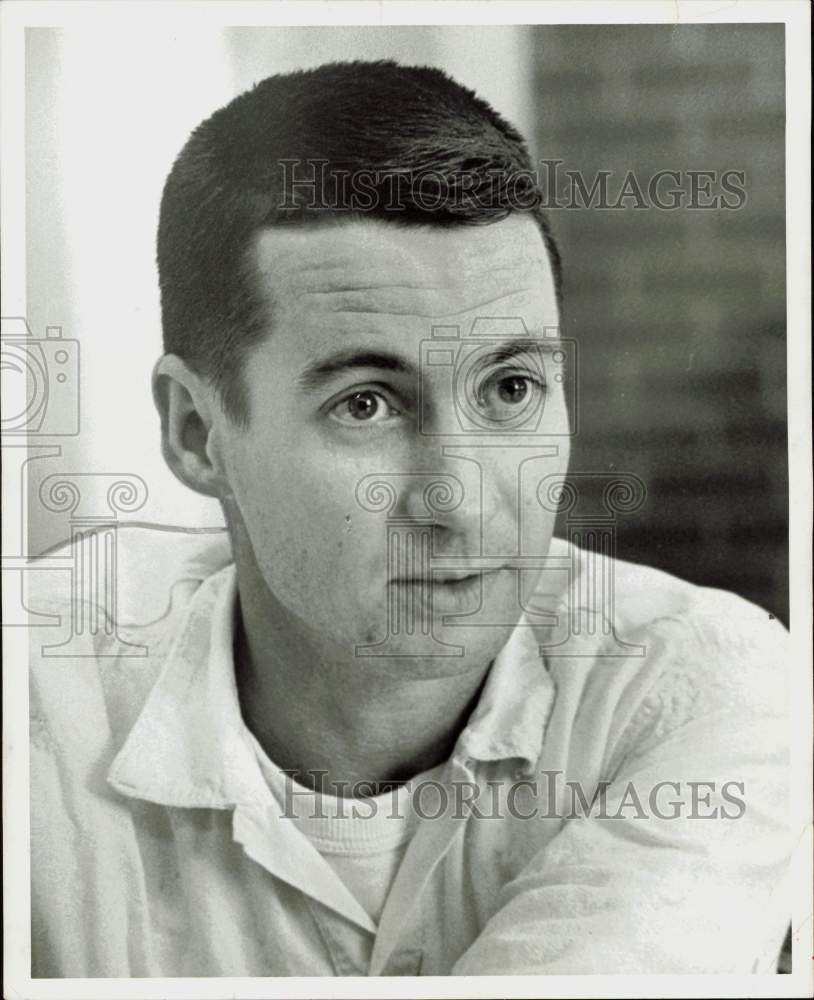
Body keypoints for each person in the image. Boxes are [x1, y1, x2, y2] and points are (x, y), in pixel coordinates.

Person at [29, 60, 791, 978]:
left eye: (512, 388)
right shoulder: (35, 702)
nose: (461, 500)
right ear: (199, 432)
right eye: (366, 404)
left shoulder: (705, 686)